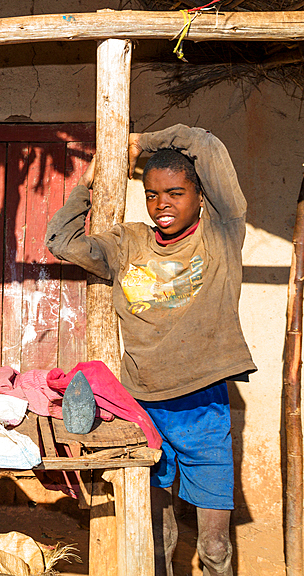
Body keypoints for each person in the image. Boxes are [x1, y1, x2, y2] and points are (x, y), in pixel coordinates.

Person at [45, 125, 256, 576]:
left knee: (215, 547)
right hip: (143, 409)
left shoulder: (221, 234)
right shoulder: (130, 243)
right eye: (152, 194)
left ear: (200, 197)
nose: (162, 205)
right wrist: (90, 182)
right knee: (158, 540)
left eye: (175, 193)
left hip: (203, 409)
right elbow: (61, 242)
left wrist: (141, 142)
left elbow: (207, 143)